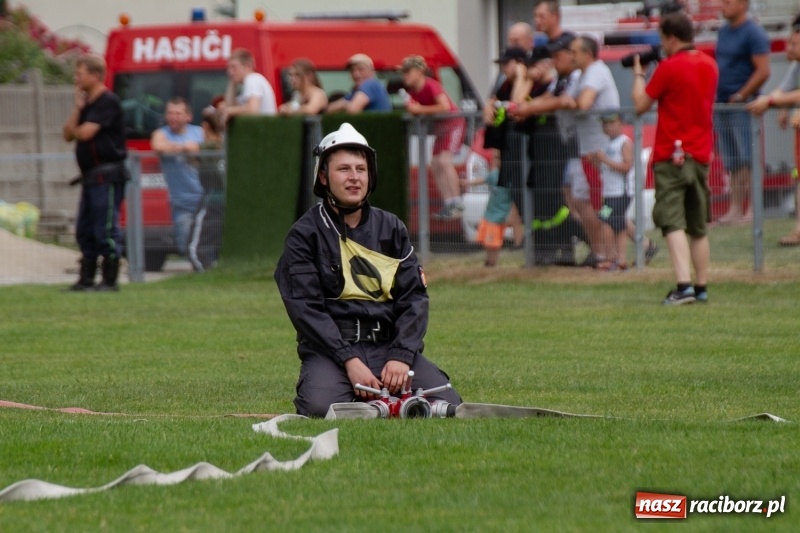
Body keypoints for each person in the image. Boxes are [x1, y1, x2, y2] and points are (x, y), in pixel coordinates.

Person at [274, 123, 461, 417]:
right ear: (323, 176)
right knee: (321, 408)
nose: (354, 178)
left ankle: (382, 398)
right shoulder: (304, 235)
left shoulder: (392, 228)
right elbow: (305, 309)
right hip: (332, 350)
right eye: (344, 169)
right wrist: (348, 360)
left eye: (361, 169)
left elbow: (414, 298)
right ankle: (374, 398)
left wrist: (401, 356)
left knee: (450, 405)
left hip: (389, 347)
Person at [632, 11, 719, 305]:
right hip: (701, 152)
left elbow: (640, 104)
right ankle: (702, 286)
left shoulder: (669, 67)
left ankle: (684, 286)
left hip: (672, 154)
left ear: (671, 38)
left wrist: (639, 73)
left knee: (672, 220)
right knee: (697, 225)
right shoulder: (710, 65)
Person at [62, 54, 128, 291]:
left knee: (105, 227)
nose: (76, 78)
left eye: (80, 73)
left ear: (95, 75)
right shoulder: (87, 105)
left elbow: (85, 134)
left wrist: (78, 127)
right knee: (85, 228)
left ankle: (110, 279)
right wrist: (78, 110)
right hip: (90, 177)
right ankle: (86, 277)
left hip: (107, 176)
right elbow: (68, 133)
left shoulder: (107, 101)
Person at [562, 35, 620, 269]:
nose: (570, 56)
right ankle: (602, 254)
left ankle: (612, 256)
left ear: (587, 54)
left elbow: (583, 103)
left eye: (574, 52)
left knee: (602, 206)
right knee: (584, 202)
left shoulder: (596, 71)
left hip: (599, 152)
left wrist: (564, 102)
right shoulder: (580, 75)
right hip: (586, 150)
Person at [714, 0, 770, 224]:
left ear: (742, 4)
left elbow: (764, 70)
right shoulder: (723, 32)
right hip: (722, 105)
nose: (723, 5)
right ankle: (735, 208)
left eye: (728, 2)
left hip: (744, 107)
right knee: (733, 159)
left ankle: (753, 210)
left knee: (749, 157)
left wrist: (741, 95)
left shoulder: (754, 33)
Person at [747, 16, 800, 246]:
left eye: (794, 43)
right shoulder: (796, 66)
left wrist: (770, 102)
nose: (789, 48)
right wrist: (776, 103)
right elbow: (782, 92)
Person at [400, 54, 466, 220]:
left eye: (408, 71)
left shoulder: (431, 85)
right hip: (440, 127)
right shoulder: (413, 92)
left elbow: (443, 107)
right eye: (404, 72)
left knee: (444, 161)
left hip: (452, 123)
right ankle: (449, 202)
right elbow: (415, 108)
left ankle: (457, 202)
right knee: (435, 164)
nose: (405, 76)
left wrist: (419, 110)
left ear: (420, 71)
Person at [590, 113, 659, 270]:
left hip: (621, 192)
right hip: (609, 193)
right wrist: (595, 160)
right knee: (608, 222)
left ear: (621, 123)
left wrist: (605, 160)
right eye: (605, 124)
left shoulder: (624, 143)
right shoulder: (606, 144)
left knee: (614, 224)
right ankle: (614, 257)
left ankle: (616, 258)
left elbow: (626, 167)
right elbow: (603, 168)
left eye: (611, 123)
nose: (607, 127)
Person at [150, 97, 205, 259]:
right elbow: (158, 146)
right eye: (170, 113)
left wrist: (189, 148)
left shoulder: (199, 132)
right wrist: (184, 148)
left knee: (208, 243)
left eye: (178, 113)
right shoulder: (161, 133)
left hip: (204, 199)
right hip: (181, 203)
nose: (173, 117)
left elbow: (210, 144)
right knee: (185, 245)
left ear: (188, 116)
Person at [187, 105, 226, 271]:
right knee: (215, 240)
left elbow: (189, 149)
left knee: (195, 248)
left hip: (212, 198)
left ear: (206, 126)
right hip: (222, 199)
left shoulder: (206, 147)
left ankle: (204, 272)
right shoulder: (226, 145)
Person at [470, 166, 524, 267]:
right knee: (487, 242)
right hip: (488, 216)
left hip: (498, 218)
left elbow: (514, 202)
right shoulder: (495, 174)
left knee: (494, 243)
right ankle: (489, 261)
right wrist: (465, 183)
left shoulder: (512, 180)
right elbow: (484, 180)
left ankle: (492, 262)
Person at [222, 48, 277, 123]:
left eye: (234, 67)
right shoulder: (252, 81)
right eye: (229, 68)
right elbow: (230, 105)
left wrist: (230, 111)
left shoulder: (252, 79)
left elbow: (253, 109)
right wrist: (232, 83)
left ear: (247, 66)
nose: (229, 72)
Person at [326, 54, 391, 113]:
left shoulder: (371, 84)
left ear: (372, 71)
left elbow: (353, 110)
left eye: (361, 69)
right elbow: (329, 109)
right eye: (352, 70)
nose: (356, 74)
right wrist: (345, 104)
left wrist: (344, 105)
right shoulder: (355, 91)